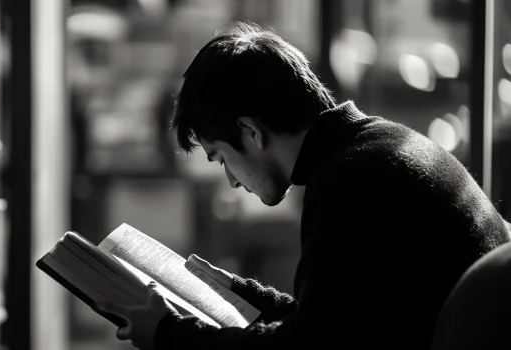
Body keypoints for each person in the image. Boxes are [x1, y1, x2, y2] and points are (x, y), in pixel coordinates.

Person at [96, 22, 511, 350]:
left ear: (250, 132)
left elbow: (309, 346)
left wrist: (170, 335)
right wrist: (242, 293)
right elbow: (343, 321)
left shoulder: (348, 183)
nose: (232, 181)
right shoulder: (378, 149)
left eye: (221, 158)